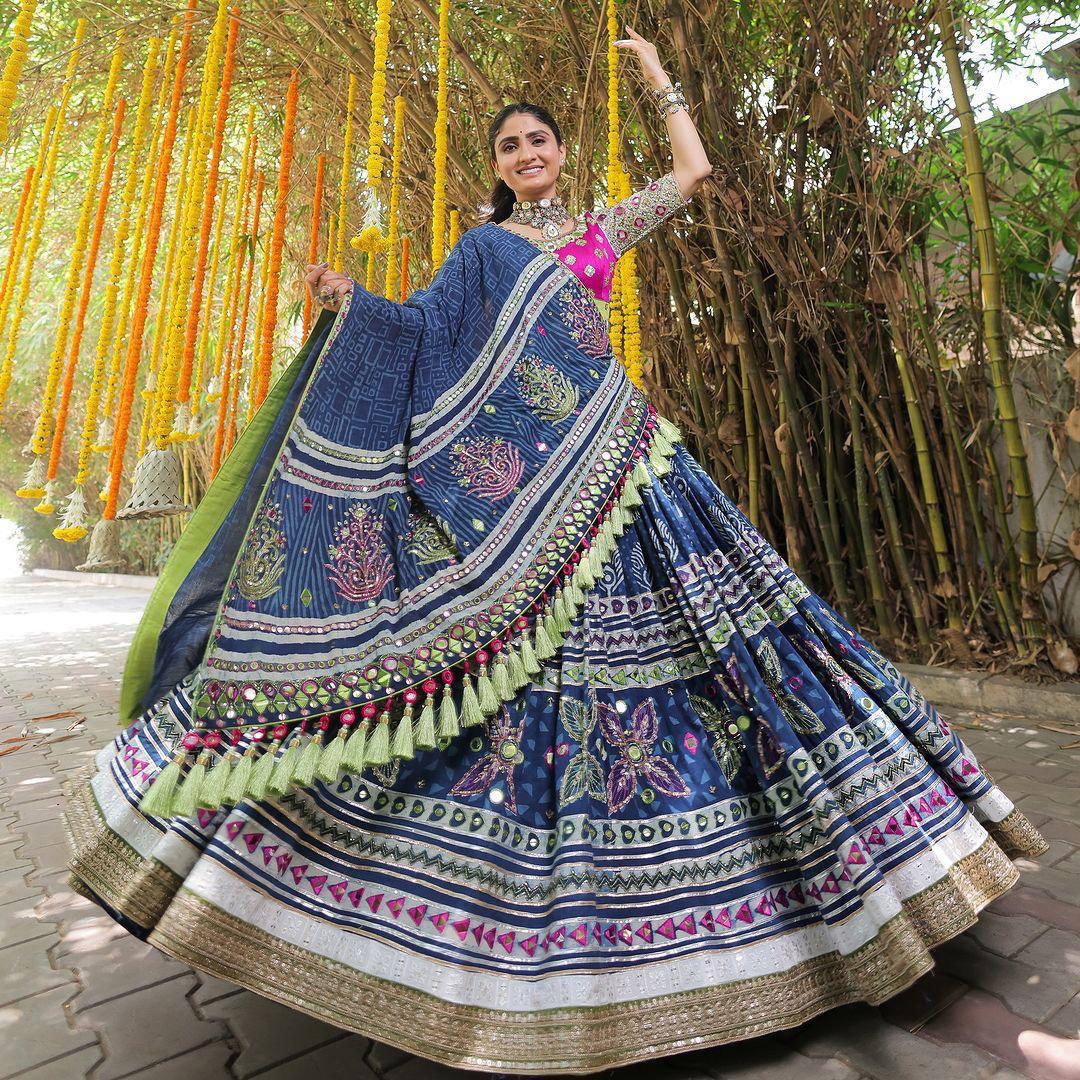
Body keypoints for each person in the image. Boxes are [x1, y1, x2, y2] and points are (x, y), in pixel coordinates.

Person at [66, 26, 1049, 1078]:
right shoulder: (479, 252)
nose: (527, 153)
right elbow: (415, 337)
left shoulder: (598, 227)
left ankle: (794, 913)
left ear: (563, 153)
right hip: (514, 506)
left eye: (539, 139)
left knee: (726, 660)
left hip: (619, 467)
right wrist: (352, 306)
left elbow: (695, 172)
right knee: (511, 684)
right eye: (511, 145)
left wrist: (658, 78)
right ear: (495, 168)